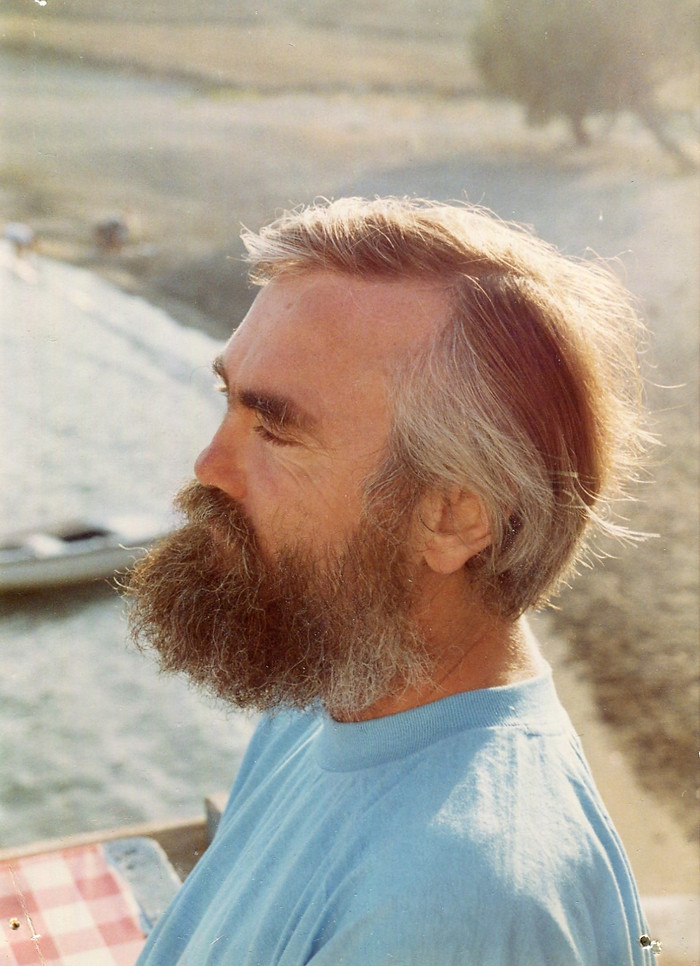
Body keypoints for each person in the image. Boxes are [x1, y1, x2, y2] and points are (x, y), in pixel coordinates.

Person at [125, 197, 657, 965]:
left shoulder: (449, 908)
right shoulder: (326, 695)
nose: (209, 467)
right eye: (228, 401)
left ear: (450, 516)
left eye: (274, 428)